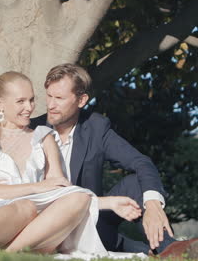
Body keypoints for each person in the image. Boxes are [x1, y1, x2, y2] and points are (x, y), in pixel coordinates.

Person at [0, 71, 142, 256]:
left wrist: (109, 202)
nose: (29, 108)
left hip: (33, 224)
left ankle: (10, 253)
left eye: (32, 100)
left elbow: (60, 190)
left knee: (77, 198)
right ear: (0, 104)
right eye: (21, 101)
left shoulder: (43, 136)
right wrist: (35, 187)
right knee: (25, 207)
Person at [31, 63, 198, 258]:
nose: (51, 105)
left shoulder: (96, 128)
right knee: (135, 249)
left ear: (82, 100)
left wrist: (152, 203)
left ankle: (169, 249)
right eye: (49, 96)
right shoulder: (31, 130)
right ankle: (169, 251)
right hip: (47, 226)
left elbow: (141, 162)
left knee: (137, 184)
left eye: (59, 98)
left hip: (92, 221)